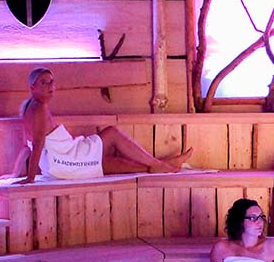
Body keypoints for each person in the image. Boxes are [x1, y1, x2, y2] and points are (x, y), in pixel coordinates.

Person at [13, 67, 192, 183]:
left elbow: (26, 145)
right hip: (66, 161)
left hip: (63, 160)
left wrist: (14, 173)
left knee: (110, 161)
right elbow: (37, 145)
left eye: (52, 81)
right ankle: (161, 165)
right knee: (112, 135)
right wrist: (30, 178)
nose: (50, 86)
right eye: (44, 83)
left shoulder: (29, 107)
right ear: (33, 88)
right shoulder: (38, 109)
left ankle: (159, 166)